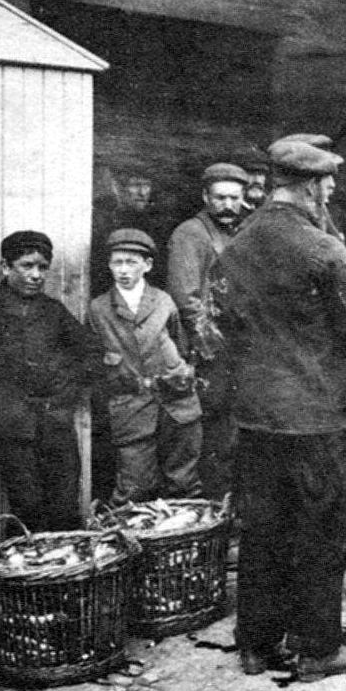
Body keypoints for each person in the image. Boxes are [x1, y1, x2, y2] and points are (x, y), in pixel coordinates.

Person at [218, 137, 346, 681]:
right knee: (322, 526)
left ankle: (256, 644)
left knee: (262, 528)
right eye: (327, 184)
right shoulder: (321, 247)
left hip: (258, 411)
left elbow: (227, 327)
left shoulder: (235, 245)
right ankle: (320, 648)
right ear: (310, 186)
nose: (331, 192)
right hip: (318, 413)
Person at [0, 231, 92, 532]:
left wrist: (67, 387)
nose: (36, 275)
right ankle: (24, 576)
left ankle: (63, 576)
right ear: (6, 267)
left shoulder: (53, 312)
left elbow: (91, 352)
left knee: (65, 508)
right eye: (27, 266)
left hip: (56, 426)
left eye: (43, 267)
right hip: (12, 427)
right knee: (27, 507)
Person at [89, 228, 203, 505]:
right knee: (135, 486)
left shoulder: (163, 301)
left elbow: (181, 343)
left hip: (176, 403)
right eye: (117, 262)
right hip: (131, 407)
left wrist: (176, 373)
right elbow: (94, 358)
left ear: (148, 265)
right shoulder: (99, 308)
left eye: (132, 262)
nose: (124, 270)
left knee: (183, 482)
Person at [168, 162, 250, 497]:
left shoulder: (241, 232)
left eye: (234, 197)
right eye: (220, 197)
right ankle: (215, 508)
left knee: (236, 433)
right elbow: (187, 300)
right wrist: (214, 348)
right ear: (205, 196)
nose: (228, 205)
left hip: (240, 349)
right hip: (211, 354)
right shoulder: (190, 234)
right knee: (215, 433)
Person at [90, 168, 172, 297]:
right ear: (119, 188)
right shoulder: (105, 222)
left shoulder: (156, 225)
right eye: (135, 185)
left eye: (147, 185)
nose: (142, 192)